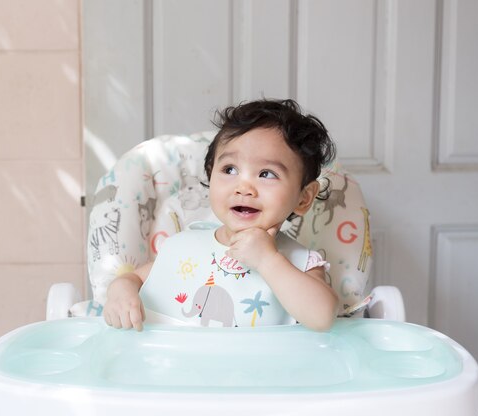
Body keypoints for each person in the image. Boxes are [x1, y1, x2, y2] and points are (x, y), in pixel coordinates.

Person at [103, 99, 338, 332]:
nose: (244, 187)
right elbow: (134, 279)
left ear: (304, 198)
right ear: (210, 175)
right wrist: (121, 290)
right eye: (229, 170)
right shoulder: (184, 246)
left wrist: (268, 260)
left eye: (266, 174)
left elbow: (323, 317)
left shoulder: (300, 263)